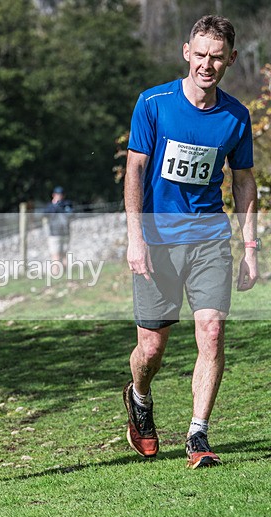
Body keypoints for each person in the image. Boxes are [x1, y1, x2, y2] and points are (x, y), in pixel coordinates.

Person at [123, 15, 258, 469]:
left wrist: (251, 249)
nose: (207, 64)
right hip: (157, 241)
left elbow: (243, 183)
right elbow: (135, 170)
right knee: (151, 349)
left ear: (231, 60)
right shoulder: (154, 103)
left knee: (212, 333)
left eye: (216, 57)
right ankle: (139, 395)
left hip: (209, 239)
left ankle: (198, 434)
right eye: (200, 55)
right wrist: (134, 238)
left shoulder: (236, 117)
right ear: (186, 52)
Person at [42, 186, 74, 271]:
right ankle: (61, 274)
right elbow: (46, 214)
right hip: (57, 233)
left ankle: (58, 274)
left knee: (58, 255)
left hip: (60, 233)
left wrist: (57, 205)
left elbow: (70, 214)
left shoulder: (66, 205)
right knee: (58, 254)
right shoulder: (52, 206)